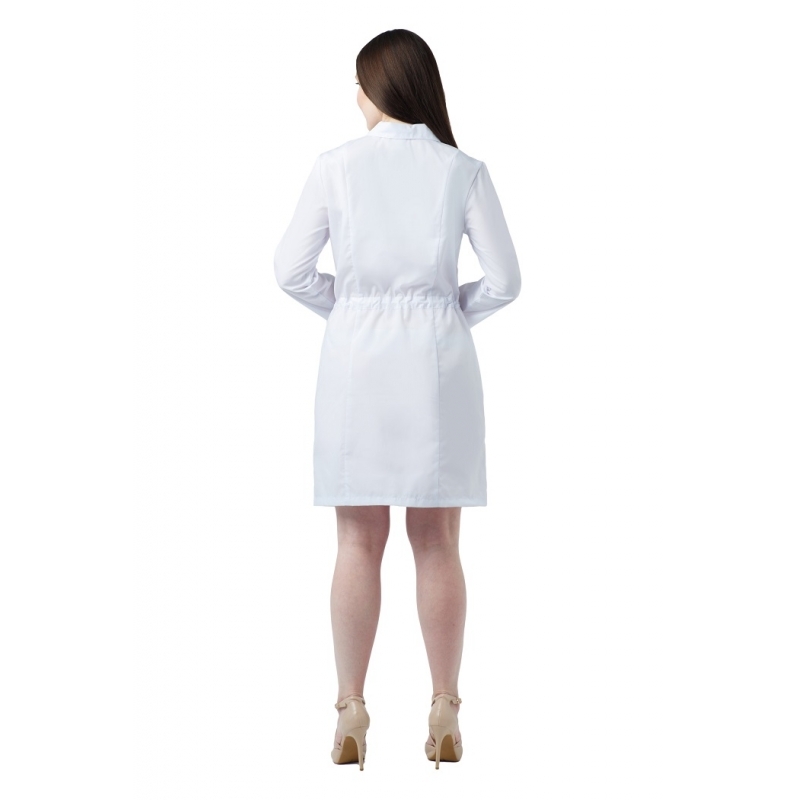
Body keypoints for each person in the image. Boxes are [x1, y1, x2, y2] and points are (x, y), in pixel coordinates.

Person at [273, 29, 521, 770]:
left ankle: (350, 707)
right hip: (439, 368)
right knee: (437, 541)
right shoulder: (461, 170)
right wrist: (445, 315)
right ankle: (445, 705)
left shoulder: (336, 166)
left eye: (358, 82)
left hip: (356, 367)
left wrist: (354, 311)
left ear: (378, 87)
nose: (354, 95)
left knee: (357, 542)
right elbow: (506, 281)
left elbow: (290, 271)